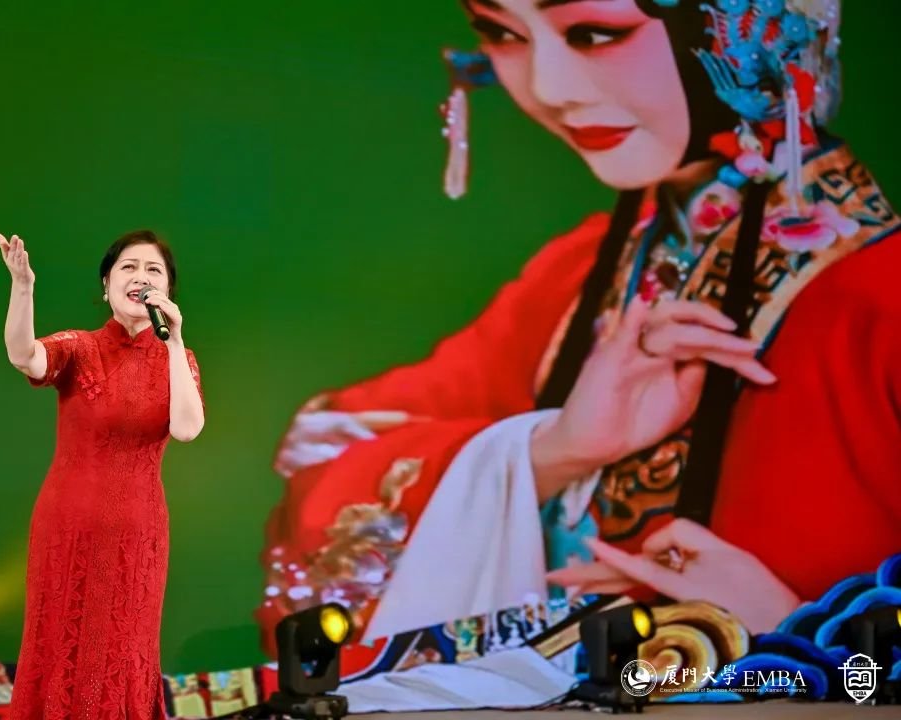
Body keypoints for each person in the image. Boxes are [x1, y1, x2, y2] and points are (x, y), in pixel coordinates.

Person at [257, 0, 901, 670]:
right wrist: (548, 452)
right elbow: (321, 461)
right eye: (503, 33)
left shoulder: (881, 305)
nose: (549, 88)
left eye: (595, 33)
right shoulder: (575, 279)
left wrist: (798, 636)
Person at [0, 229, 205, 719]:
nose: (140, 277)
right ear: (107, 284)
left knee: (123, 651)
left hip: (137, 535)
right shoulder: (80, 347)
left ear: (167, 290)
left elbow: (187, 428)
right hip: (68, 528)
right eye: (128, 267)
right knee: (60, 646)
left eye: (153, 270)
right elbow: (24, 355)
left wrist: (175, 342)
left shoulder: (180, 360)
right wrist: (23, 287)